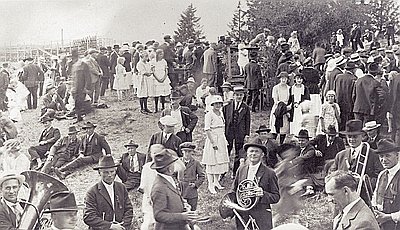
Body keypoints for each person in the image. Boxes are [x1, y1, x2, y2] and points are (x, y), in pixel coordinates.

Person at [229, 137, 280, 230]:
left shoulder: (270, 173)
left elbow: (276, 197)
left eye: (257, 151)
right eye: (251, 151)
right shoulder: (241, 169)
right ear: (247, 154)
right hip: (243, 213)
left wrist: (262, 194)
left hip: (260, 215)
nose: (253, 154)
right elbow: (234, 190)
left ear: (262, 154)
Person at [150, 149, 199, 229]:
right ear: (169, 169)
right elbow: (159, 215)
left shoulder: (168, 179)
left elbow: (176, 195)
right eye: (173, 164)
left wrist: (184, 205)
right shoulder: (159, 188)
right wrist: (182, 216)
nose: (175, 166)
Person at [83, 155, 133, 230]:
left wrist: (123, 226)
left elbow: (129, 209)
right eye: (105, 172)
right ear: (99, 173)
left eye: (112, 171)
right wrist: (110, 226)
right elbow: (88, 216)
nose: (110, 175)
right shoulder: (92, 192)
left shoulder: (121, 187)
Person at [330, 120, 383, 189]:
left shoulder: (373, 154)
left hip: (363, 195)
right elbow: (331, 174)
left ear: (362, 136)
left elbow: (380, 178)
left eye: (355, 136)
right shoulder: (340, 155)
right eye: (349, 137)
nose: (352, 139)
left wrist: (361, 181)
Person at [202, 96, 230, 194]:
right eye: (216, 104)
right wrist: (213, 142)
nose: (218, 105)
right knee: (212, 161)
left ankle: (216, 182)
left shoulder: (221, 113)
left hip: (221, 138)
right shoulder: (209, 115)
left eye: (219, 103)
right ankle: (210, 184)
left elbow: (222, 128)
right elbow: (207, 130)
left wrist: (224, 139)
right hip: (213, 139)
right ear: (212, 105)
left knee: (220, 161)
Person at [371, 139, 400, 230]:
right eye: (381, 156)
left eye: (388, 156)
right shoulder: (382, 174)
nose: (384, 160)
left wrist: (388, 217)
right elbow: (375, 197)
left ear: (397, 155)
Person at [223, 86, 251, 176]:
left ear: (243, 96)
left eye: (241, 95)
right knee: (227, 150)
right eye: (237, 95)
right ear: (234, 96)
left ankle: (235, 172)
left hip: (240, 133)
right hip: (229, 132)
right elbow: (224, 120)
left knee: (238, 152)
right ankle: (223, 171)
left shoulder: (245, 107)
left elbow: (248, 121)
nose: (239, 97)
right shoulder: (227, 106)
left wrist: (247, 134)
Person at [138, 144, 164, 230]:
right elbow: (144, 186)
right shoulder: (146, 168)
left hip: (162, 198)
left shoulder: (165, 167)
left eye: (159, 153)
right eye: (154, 153)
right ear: (150, 154)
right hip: (149, 198)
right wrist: (150, 197)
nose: (156, 155)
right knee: (149, 221)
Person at [179, 142, 205, 211]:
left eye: (189, 151)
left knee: (192, 209)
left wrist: (195, 184)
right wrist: (176, 183)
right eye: (185, 151)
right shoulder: (178, 162)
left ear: (192, 152)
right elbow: (172, 174)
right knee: (180, 208)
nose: (187, 154)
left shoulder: (196, 163)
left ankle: (192, 220)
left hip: (191, 191)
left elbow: (202, 176)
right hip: (180, 190)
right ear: (182, 152)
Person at [334, 62, 357, 131]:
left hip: (339, 102)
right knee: (348, 123)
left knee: (340, 121)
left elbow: (334, 89)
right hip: (349, 103)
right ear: (353, 70)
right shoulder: (354, 78)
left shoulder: (338, 77)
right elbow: (354, 94)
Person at [270, 72, 291, 144]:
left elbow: (291, 99)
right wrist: (282, 106)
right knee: (275, 128)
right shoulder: (276, 88)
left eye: (285, 78)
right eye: (282, 78)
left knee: (284, 128)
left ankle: (281, 144)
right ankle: (273, 144)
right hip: (278, 109)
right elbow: (275, 100)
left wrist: (288, 107)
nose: (283, 80)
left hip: (286, 109)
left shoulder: (289, 88)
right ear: (280, 79)